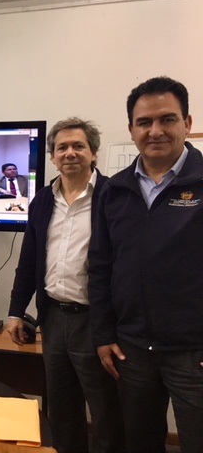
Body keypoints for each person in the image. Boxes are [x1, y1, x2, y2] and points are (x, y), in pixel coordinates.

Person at [89, 76, 203, 453]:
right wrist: (103, 334)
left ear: (187, 123)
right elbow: (101, 265)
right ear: (131, 129)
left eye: (167, 119)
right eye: (144, 123)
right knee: (139, 443)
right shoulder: (114, 189)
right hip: (131, 350)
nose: (155, 131)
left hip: (193, 353)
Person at [7, 118, 124, 453]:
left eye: (78, 146)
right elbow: (28, 261)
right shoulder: (43, 200)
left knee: (105, 412)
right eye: (62, 148)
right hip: (54, 319)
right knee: (61, 409)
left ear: (93, 154)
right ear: (53, 157)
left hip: (97, 323)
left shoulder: (114, 196)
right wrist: (16, 312)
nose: (70, 153)